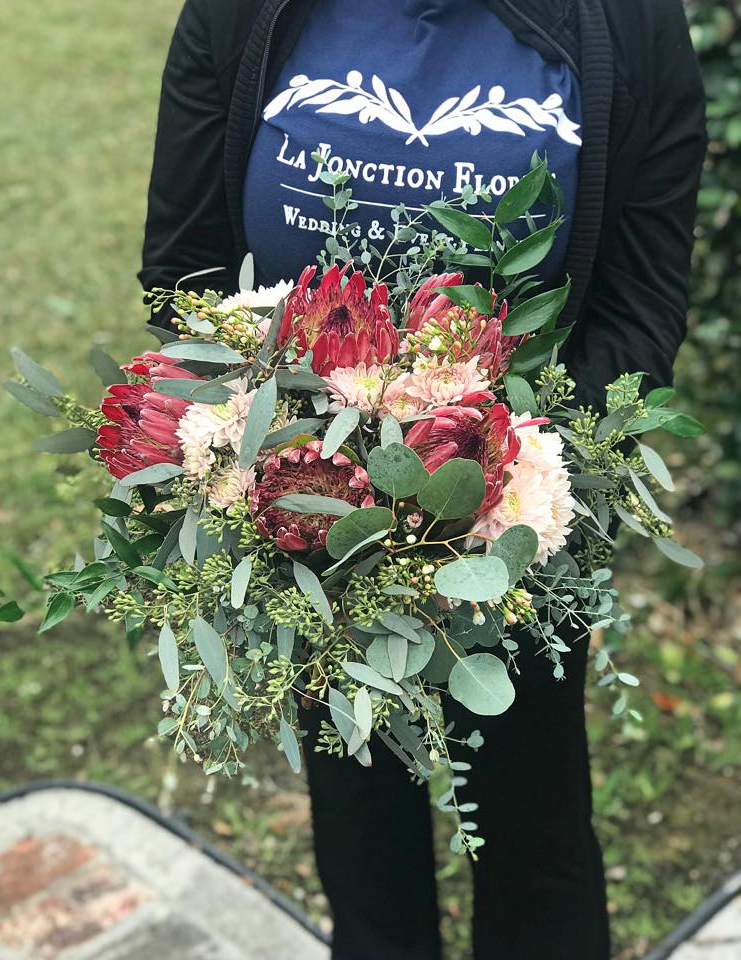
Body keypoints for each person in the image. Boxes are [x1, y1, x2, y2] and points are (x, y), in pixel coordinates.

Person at [139, 2, 706, 957]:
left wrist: (496, 478)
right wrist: (284, 459)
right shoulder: (242, 12)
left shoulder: (628, 22)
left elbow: (641, 307)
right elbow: (184, 267)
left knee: (537, 838)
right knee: (359, 832)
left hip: (515, 529)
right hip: (306, 529)